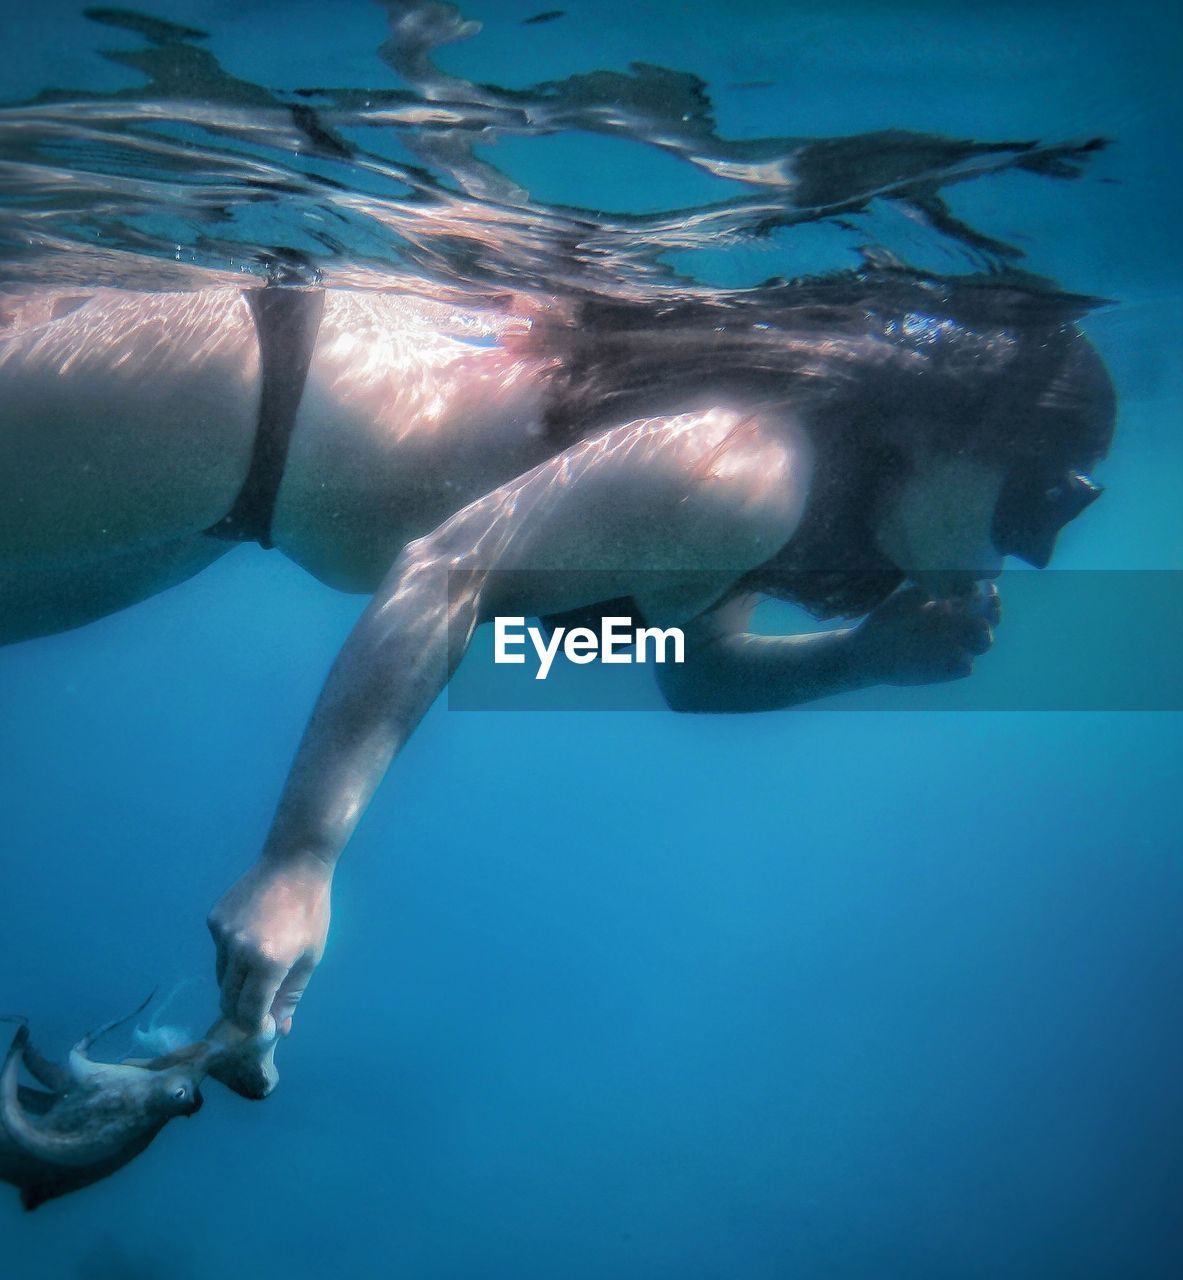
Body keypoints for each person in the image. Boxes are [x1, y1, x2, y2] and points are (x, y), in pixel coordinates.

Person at [0, 265, 1115, 1043]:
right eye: (1037, 496)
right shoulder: (746, 477)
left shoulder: (794, 507)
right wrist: (300, 857)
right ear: (940, 431)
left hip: (232, 492)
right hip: (236, 405)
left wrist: (856, 658)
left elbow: (677, 667)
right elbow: (446, 573)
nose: (1034, 545)